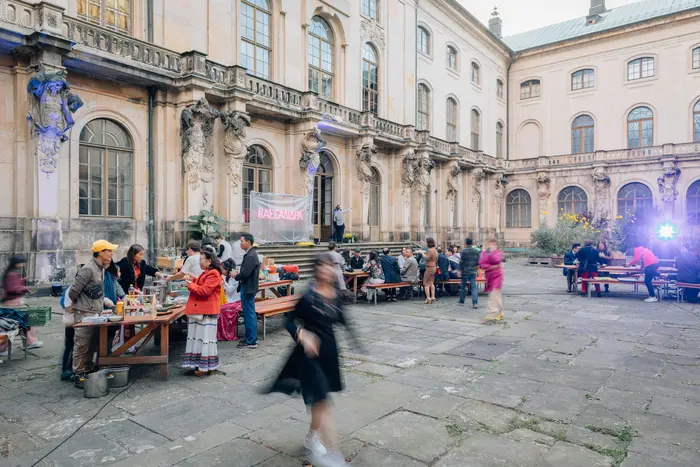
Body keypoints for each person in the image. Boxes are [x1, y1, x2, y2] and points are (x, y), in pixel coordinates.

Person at [264, 252, 362, 466]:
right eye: (324, 266)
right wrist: (302, 335)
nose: (328, 270)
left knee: (321, 400)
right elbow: (288, 321)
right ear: (317, 269)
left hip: (329, 354)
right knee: (322, 401)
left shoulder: (335, 294)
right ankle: (335, 455)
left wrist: (357, 343)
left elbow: (343, 320)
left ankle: (311, 437)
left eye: (331, 266)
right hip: (309, 355)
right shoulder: (308, 296)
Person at [69, 240, 118, 388]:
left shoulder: (101, 268)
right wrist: (77, 307)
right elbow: (73, 291)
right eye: (109, 250)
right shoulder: (88, 269)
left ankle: (89, 369)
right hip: (84, 313)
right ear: (101, 252)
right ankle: (78, 373)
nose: (111, 253)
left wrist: (105, 300)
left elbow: (96, 290)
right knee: (81, 344)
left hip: (96, 312)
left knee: (93, 343)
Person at [183, 249, 223, 376]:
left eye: (201, 260)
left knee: (205, 338)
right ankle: (204, 366)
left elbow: (205, 291)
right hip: (203, 310)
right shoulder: (207, 272)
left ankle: (204, 367)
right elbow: (201, 284)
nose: (199, 262)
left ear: (209, 261)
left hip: (206, 310)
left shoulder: (214, 274)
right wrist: (193, 280)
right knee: (200, 338)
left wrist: (190, 285)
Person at [1, 254, 43, 350]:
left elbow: (14, 285)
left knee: (24, 322)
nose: (23, 265)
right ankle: (30, 342)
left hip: (14, 302)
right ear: (17, 263)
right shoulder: (11, 274)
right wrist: (25, 288)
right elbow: (12, 289)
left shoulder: (12, 273)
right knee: (25, 322)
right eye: (22, 263)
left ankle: (29, 342)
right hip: (12, 303)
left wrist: (23, 281)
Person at [236, 233, 260, 348]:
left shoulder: (251, 255)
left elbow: (245, 273)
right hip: (249, 287)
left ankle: (251, 340)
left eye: (242, 241)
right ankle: (251, 338)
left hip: (248, 288)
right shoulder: (250, 254)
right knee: (249, 313)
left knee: (249, 313)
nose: (241, 243)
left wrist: (235, 276)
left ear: (249, 242)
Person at [479, 238, 504, 323]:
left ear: (496, 244)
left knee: (494, 295)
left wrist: (491, 254)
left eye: (493, 243)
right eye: (490, 243)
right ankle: (500, 312)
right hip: (490, 276)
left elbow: (497, 260)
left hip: (497, 276)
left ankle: (493, 314)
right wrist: (490, 266)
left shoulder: (498, 252)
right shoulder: (485, 252)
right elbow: (482, 264)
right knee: (496, 295)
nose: (491, 245)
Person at [459, 238, 481, 308]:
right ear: (472, 243)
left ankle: (462, 301)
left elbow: (461, 262)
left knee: (463, 287)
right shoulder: (476, 251)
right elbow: (478, 262)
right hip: (473, 271)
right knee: (473, 287)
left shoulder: (463, 251)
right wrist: (476, 268)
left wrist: (459, 270)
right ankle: (475, 303)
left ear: (466, 243)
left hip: (465, 271)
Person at [423, 238, 438, 304]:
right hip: (434, 266)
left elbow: (427, 258)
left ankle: (428, 298)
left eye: (426, 242)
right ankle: (433, 296)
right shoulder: (435, 250)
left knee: (426, 283)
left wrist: (422, 253)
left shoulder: (430, 250)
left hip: (429, 267)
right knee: (431, 282)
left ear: (428, 243)